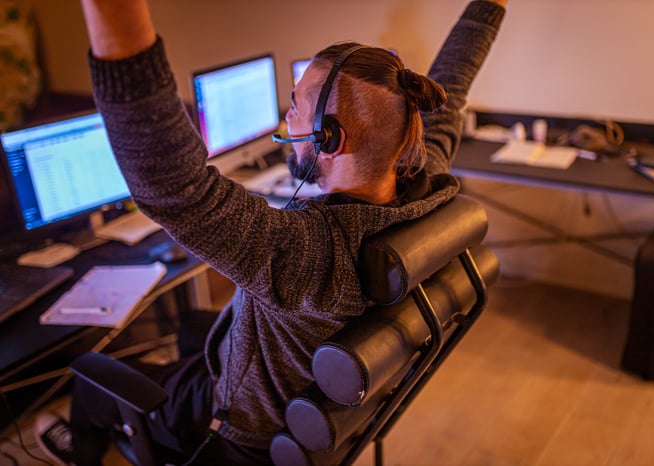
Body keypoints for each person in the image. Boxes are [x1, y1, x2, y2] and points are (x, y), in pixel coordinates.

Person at [36, 0, 506, 464]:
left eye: (297, 107)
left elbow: (172, 185)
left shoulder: (306, 254)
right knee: (192, 328)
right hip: (317, 402)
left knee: (91, 383)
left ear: (330, 138)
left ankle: (79, 452)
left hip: (237, 427)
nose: (288, 116)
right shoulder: (426, 193)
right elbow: (455, 81)